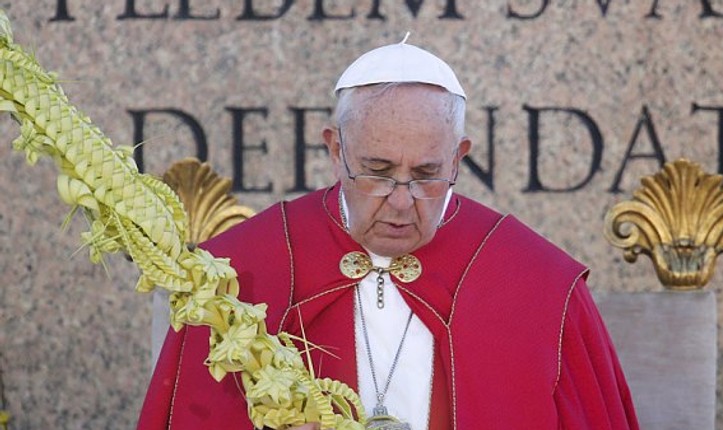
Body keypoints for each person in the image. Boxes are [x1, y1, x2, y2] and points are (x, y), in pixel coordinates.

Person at [138, 38, 639, 430]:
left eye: (426, 174)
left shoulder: (537, 285)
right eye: (376, 171)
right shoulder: (244, 268)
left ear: (459, 157)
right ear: (336, 150)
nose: (402, 202)